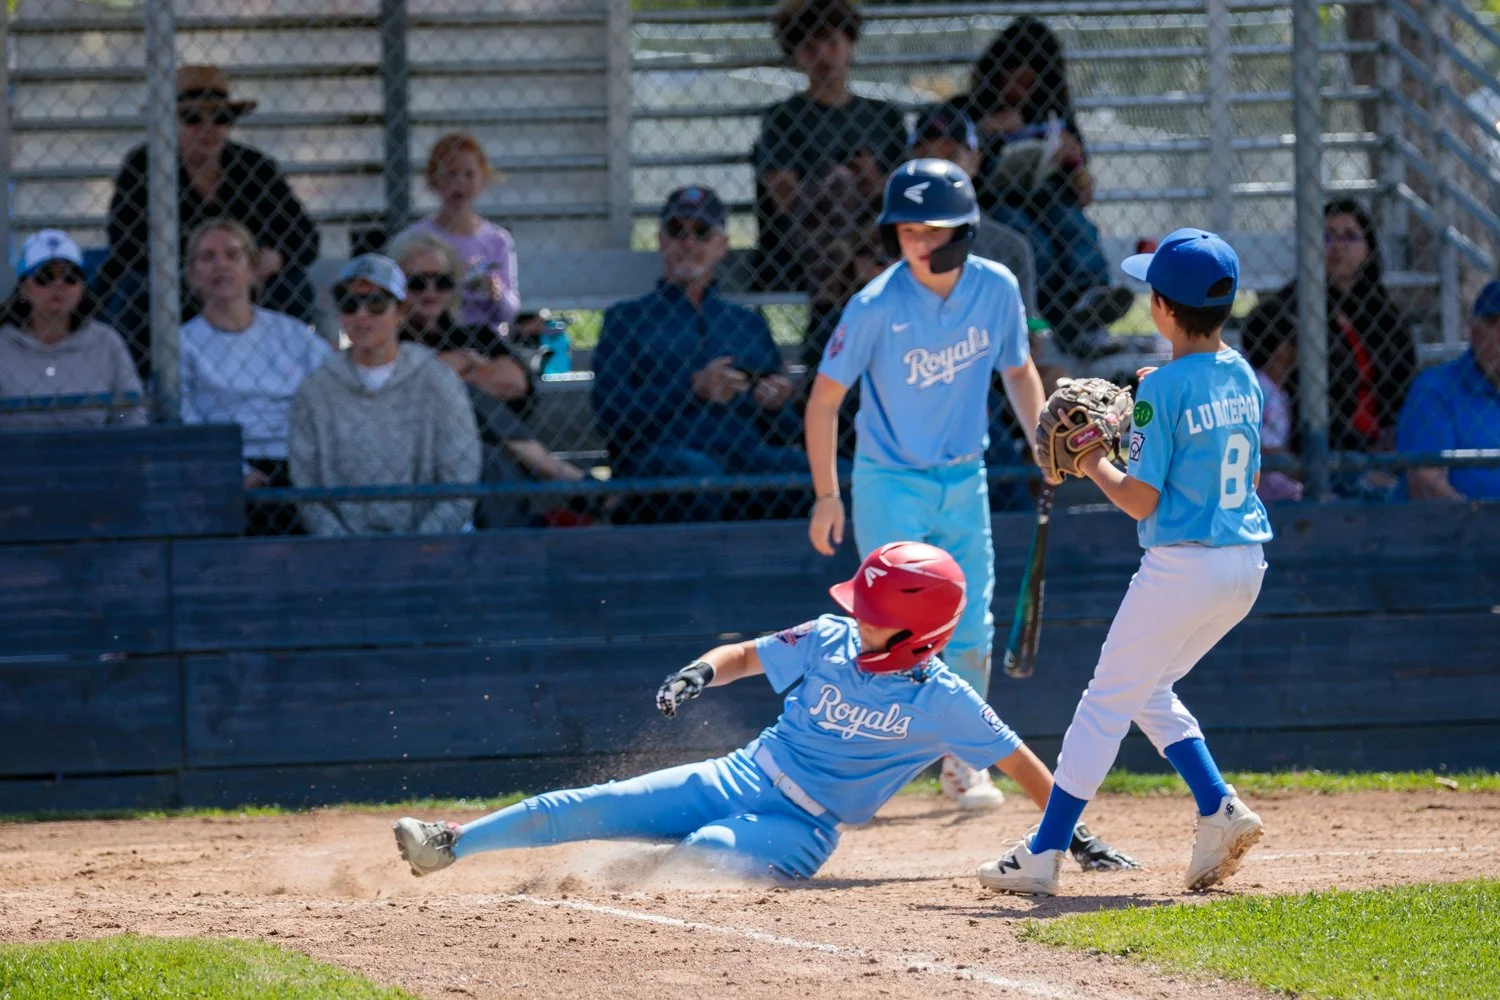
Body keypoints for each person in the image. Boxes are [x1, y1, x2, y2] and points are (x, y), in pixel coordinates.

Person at [392, 542, 1138, 881]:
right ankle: (451, 843)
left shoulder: (943, 699)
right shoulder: (833, 636)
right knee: (593, 803)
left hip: (804, 827)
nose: (859, 618)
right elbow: (747, 654)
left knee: (709, 854)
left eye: (876, 612)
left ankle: (655, 863)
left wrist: (1074, 836)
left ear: (921, 633)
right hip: (742, 773)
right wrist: (698, 672)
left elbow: (1019, 763)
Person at [980, 229, 1272, 896]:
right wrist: (1148, 404)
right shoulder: (1242, 372)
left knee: (1105, 699)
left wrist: (1091, 460)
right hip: (1244, 564)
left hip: (1183, 567)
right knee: (1146, 688)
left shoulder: (1161, 390)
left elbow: (1140, 500)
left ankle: (1045, 850)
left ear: (1164, 309)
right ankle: (1218, 807)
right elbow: (1200, 421)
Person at [803, 159, 1048, 810]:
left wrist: (1041, 438)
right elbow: (824, 401)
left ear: (965, 230)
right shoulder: (876, 304)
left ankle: (963, 763)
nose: (918, 240)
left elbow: (1020, 373)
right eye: (907, 228)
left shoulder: (995, 288)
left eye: (932, 228)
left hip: (965, 477)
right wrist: (828, 493)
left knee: (970, 626)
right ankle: (854, 765)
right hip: (890, 482)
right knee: (885, 630)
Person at [592, 186, 805, 522]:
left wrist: (776, 403)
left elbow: (786, 430)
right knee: (698, 475)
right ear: (661, 240)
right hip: (661, 459)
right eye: (677, 232)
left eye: (702, 233)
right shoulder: (626, 319)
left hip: (742, 455)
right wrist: (692, 388)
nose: (688, 243)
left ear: (721, 245)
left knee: (825, 476)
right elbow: (610, 412)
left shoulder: (747, 322)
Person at [98, 64, 320, 379]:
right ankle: (149, 390)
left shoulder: (255, 167)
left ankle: (286, 379)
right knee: (136, 290)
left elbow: (306, 237)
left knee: (294, 285)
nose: (208, 128)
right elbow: (124, 245)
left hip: (246, 284)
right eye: (192, 119)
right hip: (173, 283)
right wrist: (196, 268)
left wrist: (275, 257)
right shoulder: (142, 167)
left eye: (221, 118)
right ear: (170, 123)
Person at [389, 230, 592, 528]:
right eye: (417, 283)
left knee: (482, 452)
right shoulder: (387, 343)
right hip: (416, 458)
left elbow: (514, 384)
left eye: (442, 281)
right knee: (465, 406)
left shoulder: (476, 334)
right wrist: (467, 369)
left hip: (489, 451)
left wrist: (440, 374)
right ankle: (558, 472)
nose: (430, 291)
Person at [959, 17, 1134, 356]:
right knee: (1032, 243)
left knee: (1078, 228)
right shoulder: (968, 111)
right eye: (1009, 80)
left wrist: (1074, 160)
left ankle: (1089, 303)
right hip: (997, 203)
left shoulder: (1054, 115)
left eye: (1027, 84)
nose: (1015, 91)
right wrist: (985, 130)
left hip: (1051, 202)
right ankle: (1055, 324)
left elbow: (1084, 193)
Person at [287, 255, 480, 536]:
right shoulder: (315, 390)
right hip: (343, 548)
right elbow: (307, 488)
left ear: (400, 310)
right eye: (350, 304)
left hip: (434, 540)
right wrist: (348, 549)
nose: (362, 315)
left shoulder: (437, 380)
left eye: (376, 303)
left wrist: (418, 545)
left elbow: (461, 479)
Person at [1240, 199, 1418, 494]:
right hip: (1323, 449)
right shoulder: (1288, 312)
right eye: (1327, 236)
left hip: (1385, 444)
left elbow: (1403, 387)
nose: (1338, 246)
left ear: (1368, 248)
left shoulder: (1386, 318)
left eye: (1350, 236)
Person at [179, 218, 332, 535]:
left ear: (252, 269)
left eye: (233, 255)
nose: (221, 265)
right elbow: (183, 418)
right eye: (208, 257)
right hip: (226, 465)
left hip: (296, 460)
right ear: (192, 274)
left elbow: (335, 389)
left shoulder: (294, 335)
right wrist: (233, 471)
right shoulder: (182, 344)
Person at [753, 0, 909, 291]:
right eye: (810, 47)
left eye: (832, 42)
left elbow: (905, 189)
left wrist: (873, 181)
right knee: (840, 183)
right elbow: (784, 197)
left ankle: (849, 280)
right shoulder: (784, 117)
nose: (822, 55)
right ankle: (849, 279)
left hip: (874, 230)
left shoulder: (884, 116)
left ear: (850, 46)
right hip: (810, 239)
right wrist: (838, 185)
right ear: (797, 57)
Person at [0, 230, 145, 428]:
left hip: (93, 455)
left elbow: (129, 414)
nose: (58, 285)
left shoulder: (105, 342)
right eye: (45, 276)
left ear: (82, 288)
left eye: (70, 276)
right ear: (24, 289)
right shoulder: (3, 345)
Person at [393, 133, 519, 334]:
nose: (459, 182)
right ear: (433, 180)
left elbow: (509, 312)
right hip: (430, 338)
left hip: (484, 339)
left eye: (469, 174)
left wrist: (496, 293)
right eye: (451, 174)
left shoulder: (497, 240)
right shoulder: (414, 238)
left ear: (483, 179)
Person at [1395, 279, 1500, 501]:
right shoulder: (1435, 389)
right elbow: (1425, 483)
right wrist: (1481, 526)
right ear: (1471, 330)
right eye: (1492, 322)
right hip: (1459, 531)